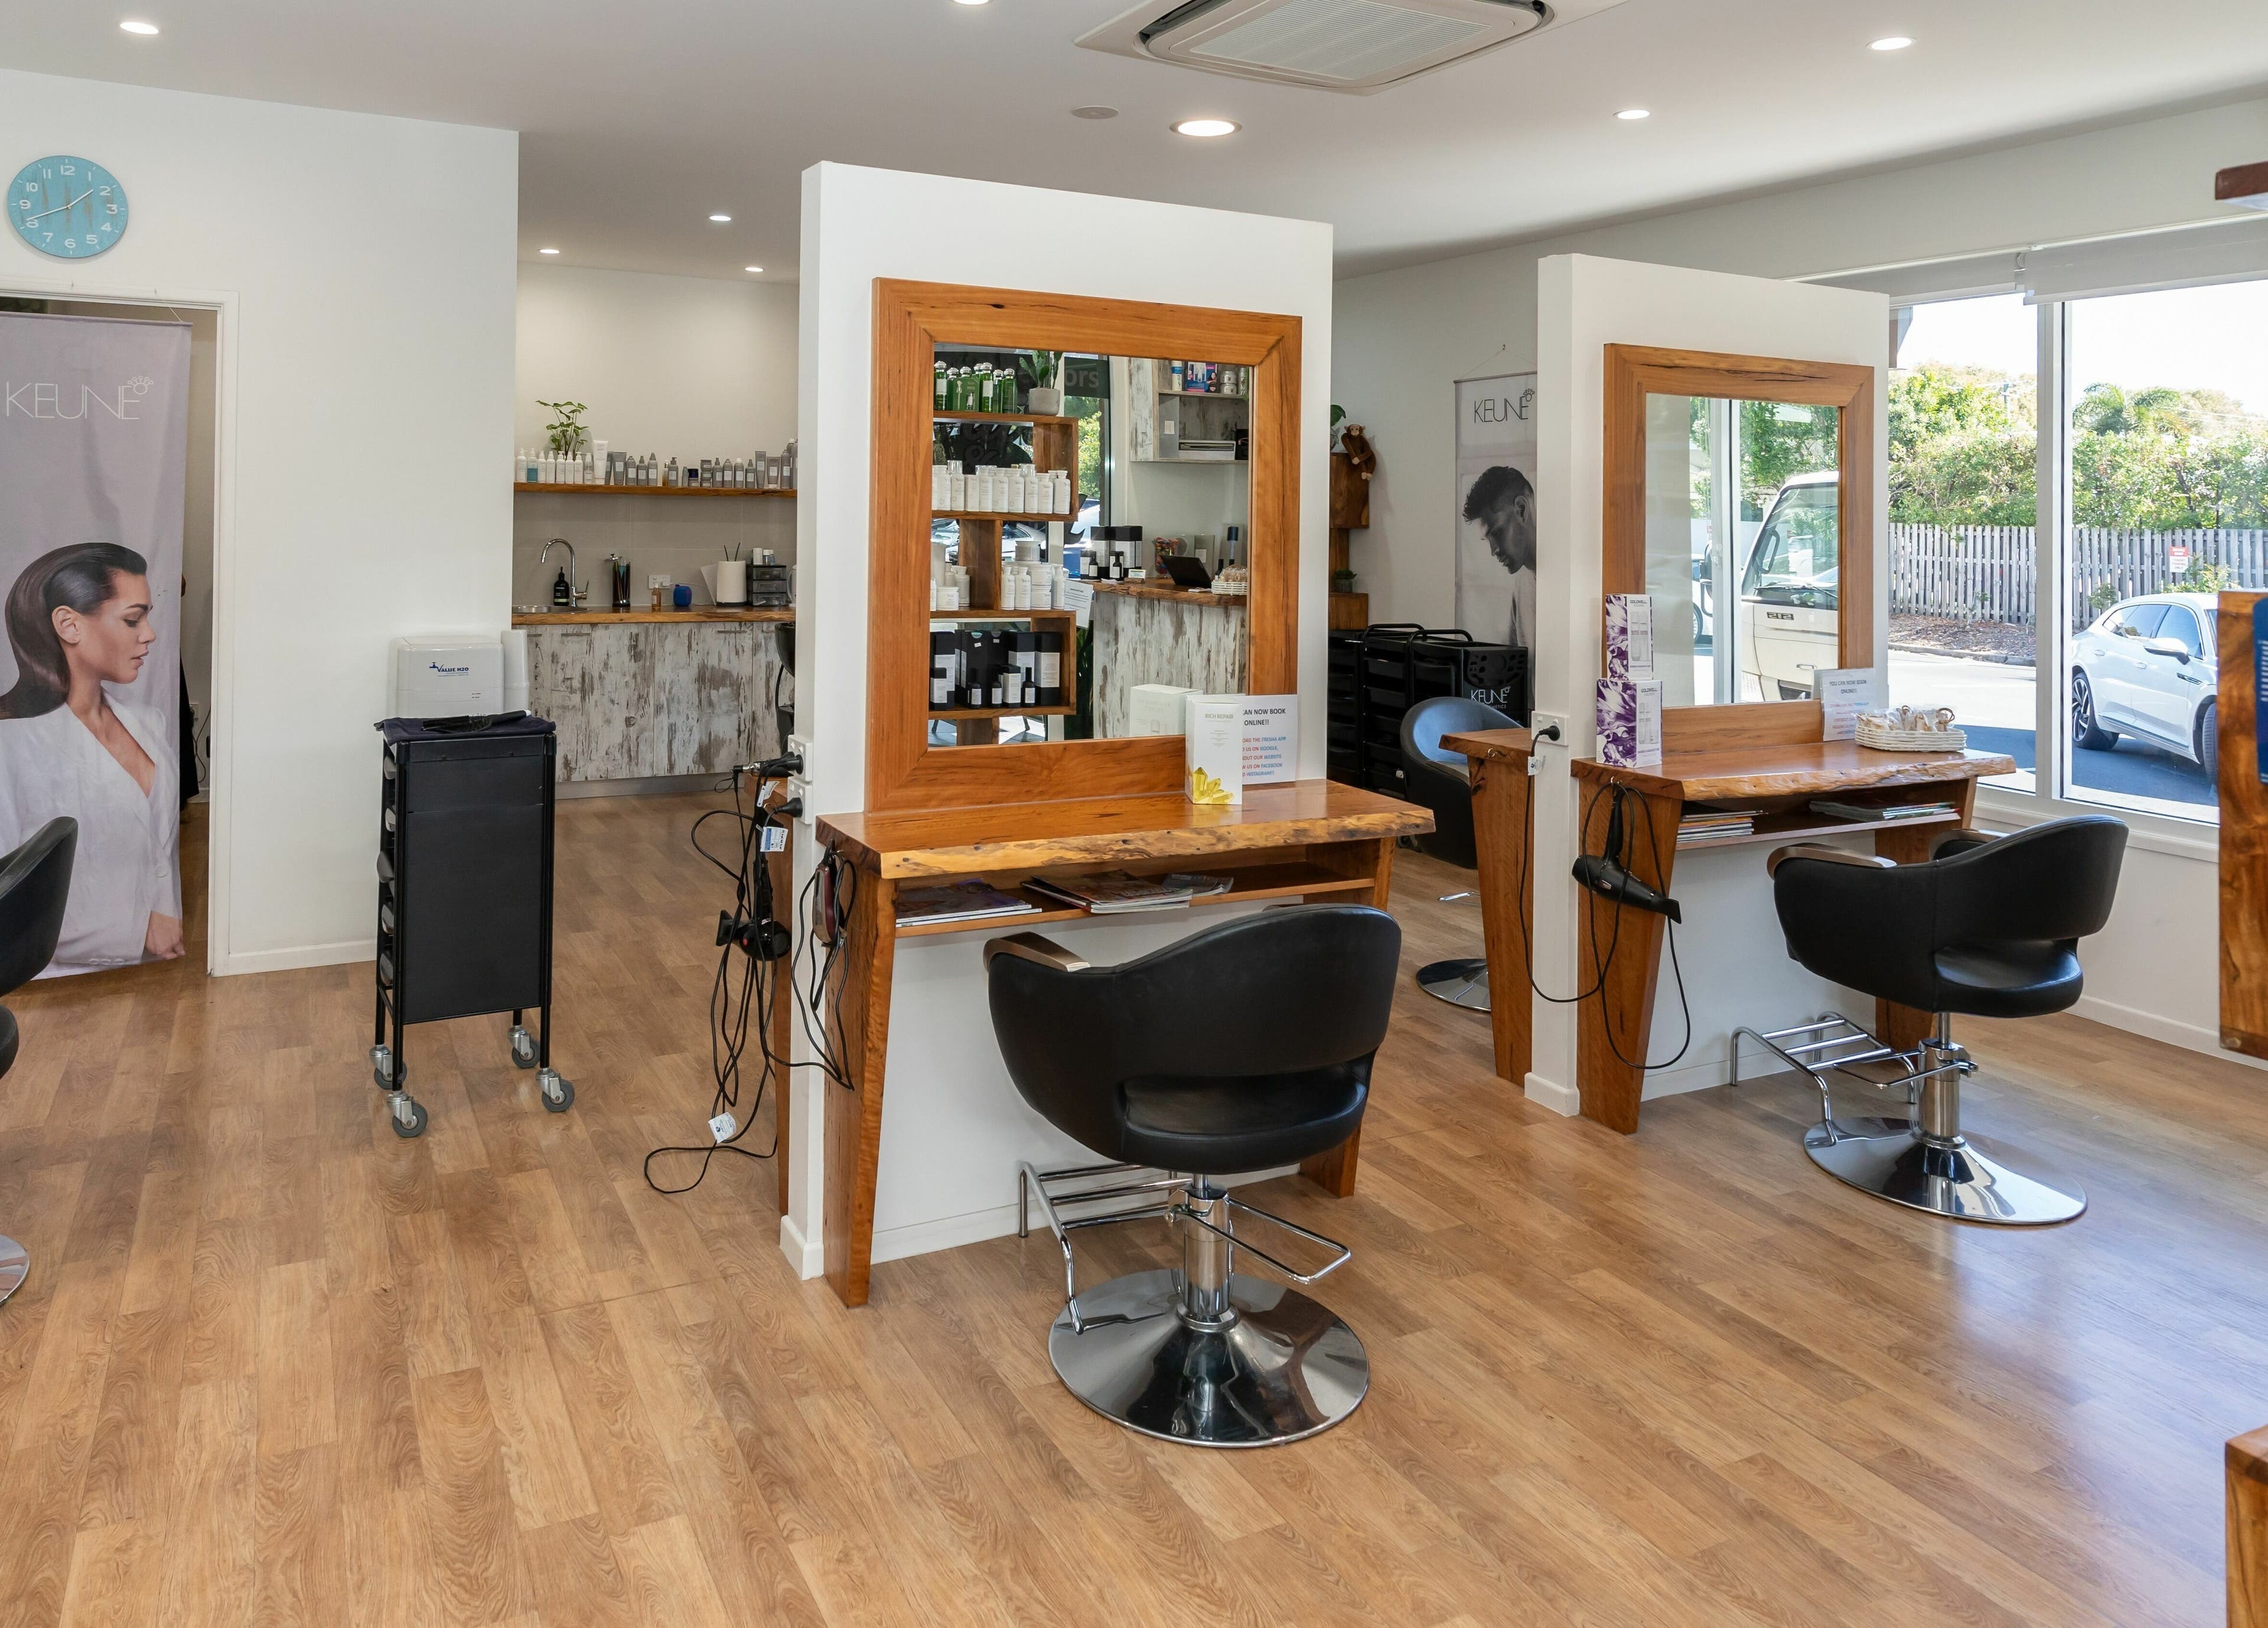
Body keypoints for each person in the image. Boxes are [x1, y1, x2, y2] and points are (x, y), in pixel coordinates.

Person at [0, 542, 182, 972]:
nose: (150, 634)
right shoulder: (10, 743)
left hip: (158, 969)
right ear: (68, 624)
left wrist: (167, 919)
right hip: (63, 988)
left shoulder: (148, 724)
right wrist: (138, 929)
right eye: (133, 619)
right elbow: (9, 891)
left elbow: (160, 855)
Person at [1462, 463, 1536, 651]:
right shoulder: (1521, 583)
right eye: (1488, 540)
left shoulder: (1568, 581)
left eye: (1498, 533)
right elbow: (1511, 671)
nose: (1493, 551)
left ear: (1521, 510)